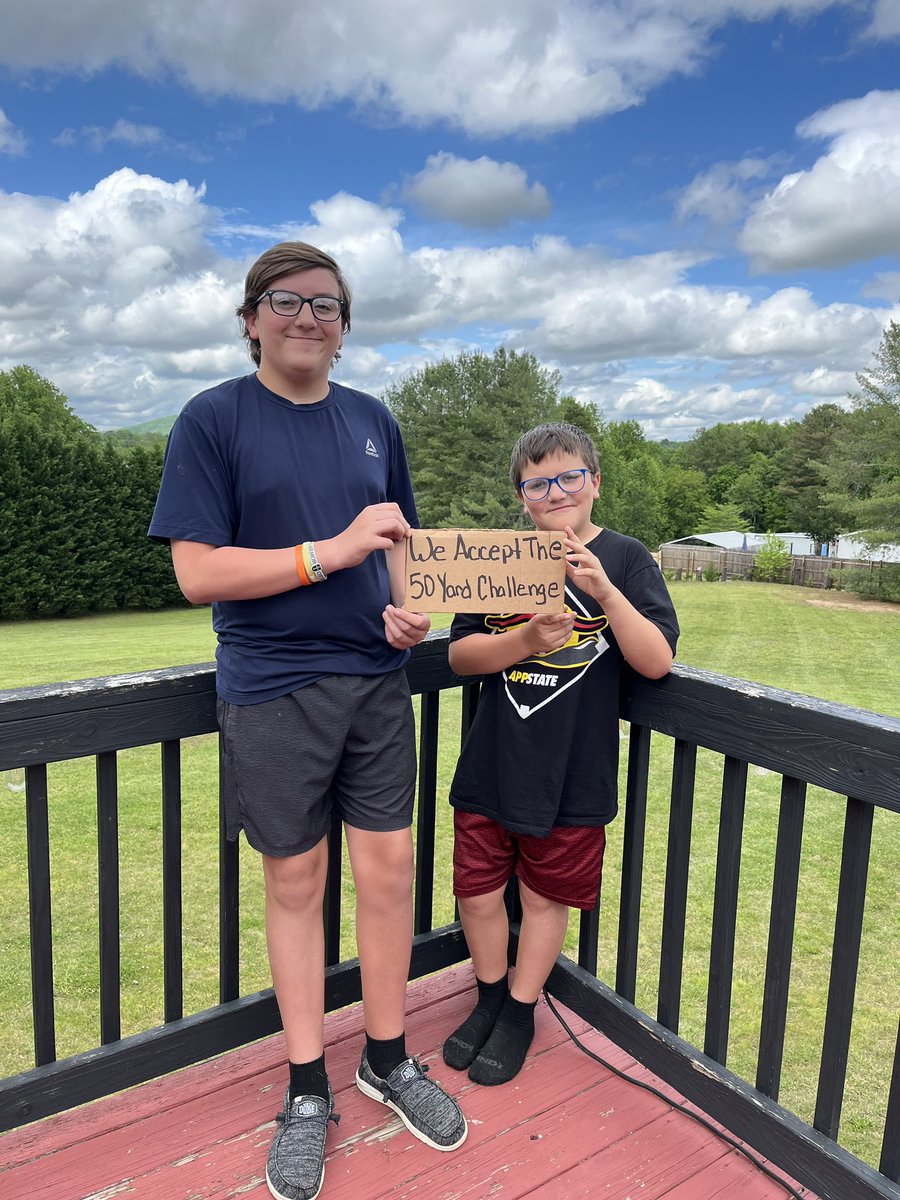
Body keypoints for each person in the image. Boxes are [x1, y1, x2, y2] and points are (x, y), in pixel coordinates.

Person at [149, 241, 466, 1200]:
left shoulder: (373, 420)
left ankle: (385, 1056)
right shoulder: (212, 420)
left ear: (344, 326)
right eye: (285, 302)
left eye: (326, 306)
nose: (306, 318)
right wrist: (326, 556)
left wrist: (407, 609)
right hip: (274, 686)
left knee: (390, 871)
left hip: (376, 678)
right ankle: (302, 1088)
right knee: (296, 882)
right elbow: (199, 572)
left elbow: (398, 541)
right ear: (251, 319)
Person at [442, 422, 679, 1086]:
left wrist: (604, 591)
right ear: (523, 497)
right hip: (491, 763)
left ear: (594, 484)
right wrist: (523, 642)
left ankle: (520, 1009)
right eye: (537, 483)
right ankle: (490, 995)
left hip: (575, 774)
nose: (555, 492)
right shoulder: (501, 561)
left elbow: (655, 662)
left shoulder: (628, 559)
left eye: (569, 477)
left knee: (546, 900)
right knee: (480, 892)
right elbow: (460, 655)